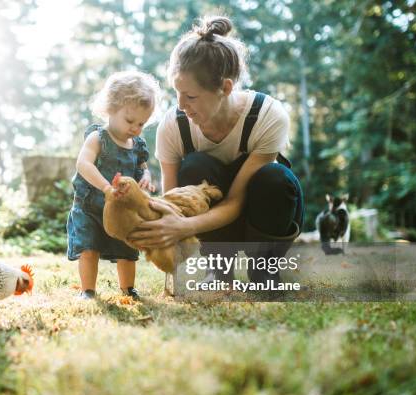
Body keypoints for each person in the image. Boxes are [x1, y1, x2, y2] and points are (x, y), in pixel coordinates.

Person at [129, 16, 304, 284]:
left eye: (191, 96)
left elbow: (236, 202)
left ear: (225, 87)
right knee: (195, 166)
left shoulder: (268, 115)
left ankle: (264, 271)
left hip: (266, 210)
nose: (182, 106)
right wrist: (159, 230)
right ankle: (219, 271)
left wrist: (184, 227)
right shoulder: (174, 126)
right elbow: (174, 202)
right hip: (215, 223)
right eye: (177, 93)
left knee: (275, 177)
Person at [67, 71, 160, 300]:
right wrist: (106, 188)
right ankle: (87, 290)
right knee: (88, 248)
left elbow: (142, 166)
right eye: (130, 121)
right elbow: (83, 164)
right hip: (90, 205)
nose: (136, 129)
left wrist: (145, 177)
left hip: (121, 210)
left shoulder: (137, 144)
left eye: (142, 123)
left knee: (127, 252)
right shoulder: (98, 138)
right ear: (111, 108)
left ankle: (128, 288)